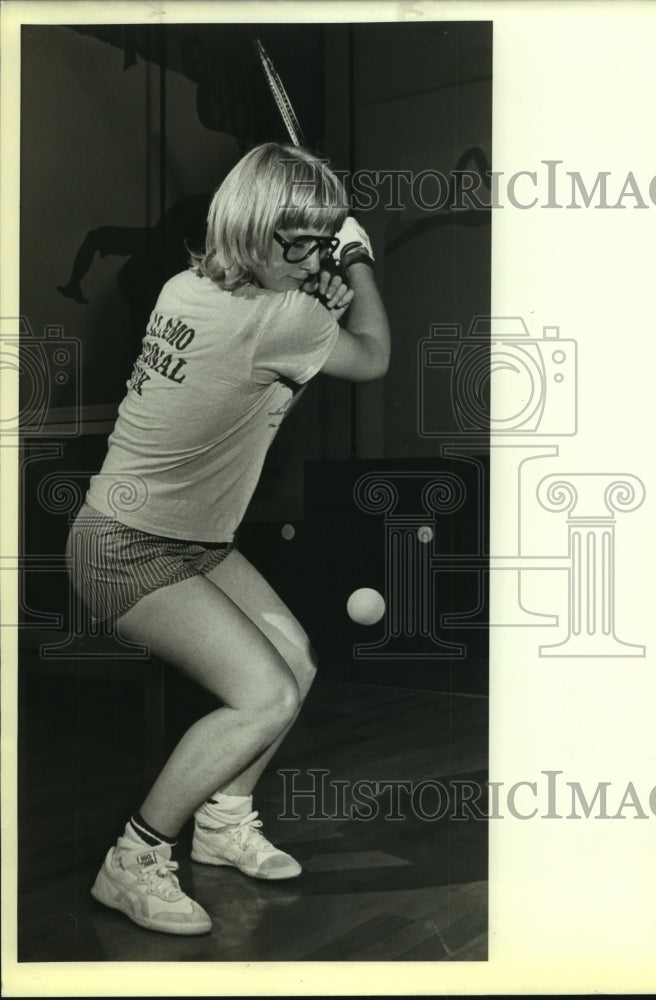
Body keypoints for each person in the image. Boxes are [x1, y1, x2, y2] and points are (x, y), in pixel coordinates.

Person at [65, 142, 390, 935]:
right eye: (302, 240)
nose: (313, 254)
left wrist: (311, 283)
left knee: (297, 663)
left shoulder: (186, 285)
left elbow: (272, 340)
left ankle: (224, 821)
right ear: (254, 228)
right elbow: (374, 356)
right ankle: (133, 861)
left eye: (322, 239)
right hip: (126, 548)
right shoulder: (283, 317)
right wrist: (357, 261)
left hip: (185, 538)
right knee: (265, 694)